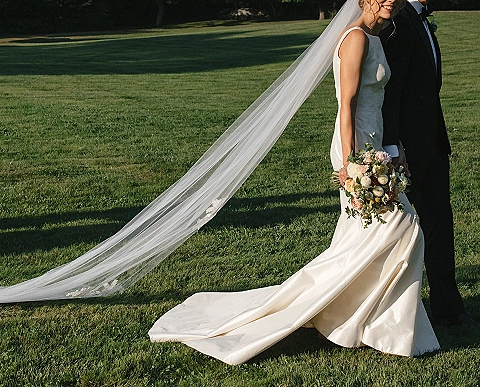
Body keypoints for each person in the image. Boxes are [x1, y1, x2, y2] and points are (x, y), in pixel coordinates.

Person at [149, 0, 442, 365]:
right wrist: (353, 166)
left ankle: (355, 321)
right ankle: (356, 320)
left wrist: (391, 150)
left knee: (367, 239)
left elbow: (376, 102)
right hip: (357, 152)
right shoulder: (356, 39)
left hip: (374, 147)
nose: (390, 1)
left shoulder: (376, 36)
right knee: (404, 228)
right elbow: (346, 106)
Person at [379, 0, 478, 327]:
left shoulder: (418, 19)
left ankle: (449, 311)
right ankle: (386, 311)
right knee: (393, 232)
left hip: (434, 145)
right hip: (406, 151)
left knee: (439, 226)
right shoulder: (398, 20)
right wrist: (392, 144)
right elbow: (389, 89)